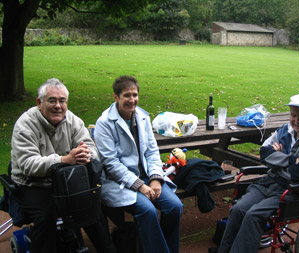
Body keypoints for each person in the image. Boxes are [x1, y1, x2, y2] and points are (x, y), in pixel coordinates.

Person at [217, 93, 299, 253]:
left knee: (253, 215)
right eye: (293, 115)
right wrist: (293, 160)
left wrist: (279, 159)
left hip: (296, 192)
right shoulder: (286, 129)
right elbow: (264, 153)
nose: (296, 121)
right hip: (270, 182)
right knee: (238, 209)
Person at [10, 78, 116, 253]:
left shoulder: (73, 121)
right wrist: (64, 160)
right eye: (52, 100)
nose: (58, 106)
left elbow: (92, 148)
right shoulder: (25, 125)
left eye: (62, 101)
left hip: (67, 182)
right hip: (33, 184)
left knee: (92, 207)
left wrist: (85, 154)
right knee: (46, 216)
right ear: (39, 102)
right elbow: (28, 165)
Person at [94, 75, 183, 253]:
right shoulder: (104, 124)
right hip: (119, 182)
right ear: (116, 97)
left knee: (175, 207)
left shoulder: (142, 117)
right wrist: (140, 186)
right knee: (147, 211)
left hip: (147, 176)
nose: (132, 100)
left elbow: (152, 151)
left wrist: (156, 178)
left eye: (135, 95)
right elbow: (111, 164)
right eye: (127, 95)